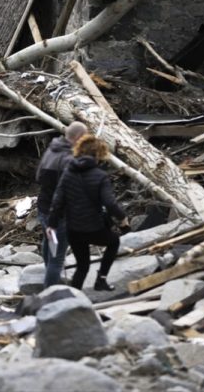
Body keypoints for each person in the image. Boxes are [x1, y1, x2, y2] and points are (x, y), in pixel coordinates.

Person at [46, 135, 130, 291]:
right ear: (99, 154)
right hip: (94, 228)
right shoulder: (100, 176)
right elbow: (110, 203)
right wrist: (122, 218)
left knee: (82, 266)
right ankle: (101, 279)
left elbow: (57, 202)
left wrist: (51, 225)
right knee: (114, 242)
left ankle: (73, 298)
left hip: (73, 230)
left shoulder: (68, 173)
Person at [36, 121, 88, 288]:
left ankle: (48, 276)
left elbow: (38, 178)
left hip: (43, 208)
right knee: (57, 261)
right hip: (59, 216)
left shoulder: (51, 149)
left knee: (49, 241)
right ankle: (49, 295)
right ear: (79, 137)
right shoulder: (69, 159)